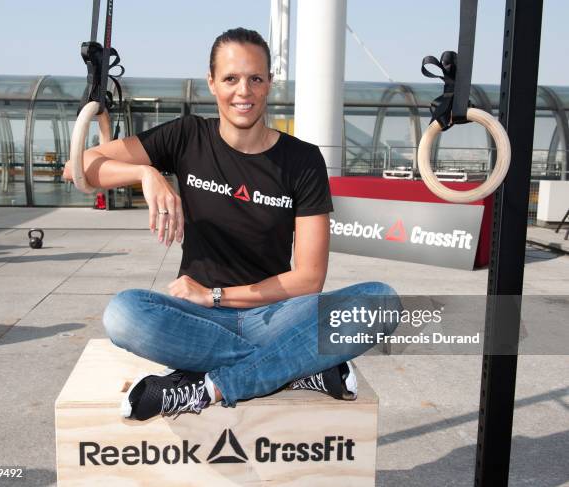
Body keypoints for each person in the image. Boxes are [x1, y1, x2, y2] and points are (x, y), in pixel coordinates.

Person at [63, 27, 400, 421]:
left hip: (273, 315)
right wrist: (146, 173)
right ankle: (293, 368)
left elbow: (309, 279)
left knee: (380, 301)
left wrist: (214, 295)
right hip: (197, 320)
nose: (244, 91)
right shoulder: (187, 136)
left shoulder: (303, 160)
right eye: (231, 79)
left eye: (255, 78)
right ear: (212, 83)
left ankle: (209, 387)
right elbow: (77, 166)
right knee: (123, 313)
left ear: (270, 83)